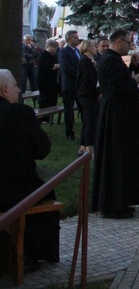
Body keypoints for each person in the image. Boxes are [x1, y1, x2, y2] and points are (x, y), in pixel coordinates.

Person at [0, 69, 60, 269]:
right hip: (13, 190)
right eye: (16, 86)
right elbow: (42, 149)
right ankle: (28, 255)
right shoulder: (20, 113)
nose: (19, 90)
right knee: (42, 194)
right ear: (4, 89)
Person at [91, 29, 139, 219]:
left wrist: (131, 75)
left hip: (120, 116)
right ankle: (114, 204)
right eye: (129, 42)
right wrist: (133, 81)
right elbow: (116, 87)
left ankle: (122, 200)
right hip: (115, 118)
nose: (130, 46)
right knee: (116, 158)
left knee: (123, 158)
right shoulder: (110, 61)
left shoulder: (112, 60)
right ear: (119, 42)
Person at [76, 39, 99, 157]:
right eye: (94, 46)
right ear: (88, 48)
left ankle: (82, 146)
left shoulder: (89, 61)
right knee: (90, 120)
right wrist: (97, 93)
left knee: (87, 120)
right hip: (86, 94)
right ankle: (89, 148)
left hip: (88, 93)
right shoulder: (85, 61)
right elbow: (88, 79)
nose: (95, 48)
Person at [58, 30, 81, 141]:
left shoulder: (78, 51)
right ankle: (69, 133)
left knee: (81, 106)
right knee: (69, 109)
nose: (77, 39)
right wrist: (80, 76)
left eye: (77, 37)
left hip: (79, 85)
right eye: (75, 37)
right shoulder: (64, 52)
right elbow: (66, 68)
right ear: (68, 39)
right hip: (69, 85)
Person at [37, 38, 60, 118]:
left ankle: (49, 117)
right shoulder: (44, 55)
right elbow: (50, 66)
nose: (55, 49)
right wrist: (60, 65)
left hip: (52, 82)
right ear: (49, 46)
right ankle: (43, 117)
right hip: (45, 82)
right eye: (54, 47)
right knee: (45, 100)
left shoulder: (52, 56)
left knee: (52, 100)